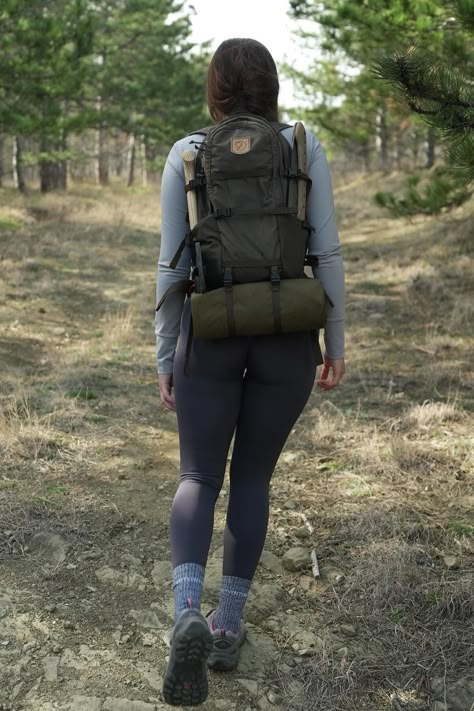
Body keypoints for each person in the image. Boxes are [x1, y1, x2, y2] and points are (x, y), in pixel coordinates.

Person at [155, 38, 345, 707]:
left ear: (214, 90)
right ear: (271, 87)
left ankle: (185, 608)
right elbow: (326, 251)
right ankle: (227, 624)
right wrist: (336, 340)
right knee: (253, 477)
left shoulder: (186, 152)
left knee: (197, 475)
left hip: (209, 333)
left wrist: (163, 353)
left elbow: (171, 269)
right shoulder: (302, 145)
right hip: (288, 335)